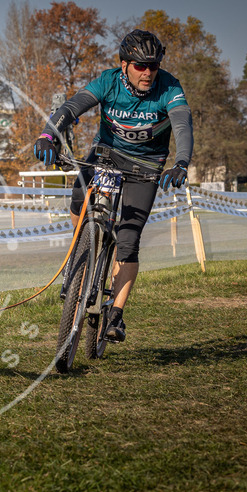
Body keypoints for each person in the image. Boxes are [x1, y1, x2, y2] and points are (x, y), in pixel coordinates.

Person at [33, 29, 193, 343]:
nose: (148, 72)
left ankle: (116, 313)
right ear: (124, 65)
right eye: (140, 66)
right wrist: (48, 135)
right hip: (107, 155)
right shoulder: (108, 82)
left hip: (145, 167)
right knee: (81, 195)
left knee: (129, 240)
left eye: (153, 66)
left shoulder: (170, 88)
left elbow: (182, 125)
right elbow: (71, 107)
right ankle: (81, 251)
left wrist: (182, 162)